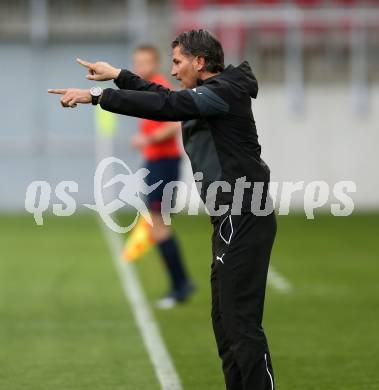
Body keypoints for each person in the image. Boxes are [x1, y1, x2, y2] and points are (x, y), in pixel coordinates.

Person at [48, 29, 277, 390]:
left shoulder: (223, 93)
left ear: (200, 63)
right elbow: (166, 96)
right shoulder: (212, 92)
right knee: (224, 322)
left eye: (177, 62)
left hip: (245, 215)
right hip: (231, 219)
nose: (172, 70)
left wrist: (97, 96)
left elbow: (166, 106)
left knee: (241, 325)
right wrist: (119, 76)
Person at [129, 45, 194, 309]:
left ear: (155, 63)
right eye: (137, 62)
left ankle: (180, 286)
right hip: (155, 161)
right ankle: (180, 284)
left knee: (159, 225)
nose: (141, 66)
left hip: (164, 162)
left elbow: (175, 121)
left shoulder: (160, 87)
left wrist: (149, 138)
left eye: (146, 61)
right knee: (157, 226)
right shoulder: (146, 88)